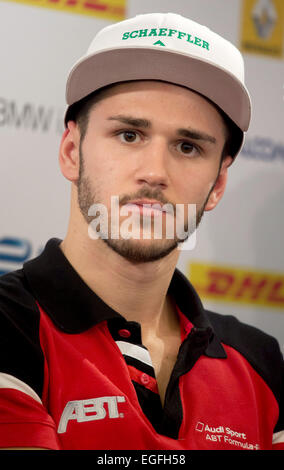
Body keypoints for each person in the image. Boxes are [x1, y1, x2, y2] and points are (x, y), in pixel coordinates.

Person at [0, 12, 283, 451]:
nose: (155, 172)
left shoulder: (262, 362)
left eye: (188, 147)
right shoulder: (7, 323)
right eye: (129, 135)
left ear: (218, 185)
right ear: (72, 151)